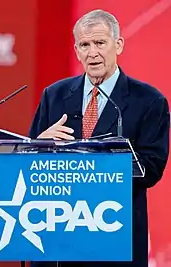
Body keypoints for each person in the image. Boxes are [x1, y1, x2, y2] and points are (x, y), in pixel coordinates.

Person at [29, 9, 170, 267]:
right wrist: (40, 145)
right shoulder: (55, 95)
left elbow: (151, 168)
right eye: (84, 44)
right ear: (76, 50)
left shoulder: (149, 101)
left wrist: (97, 159)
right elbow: (28, 166)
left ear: (118, 45)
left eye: (99, 43)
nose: (92, 52)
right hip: (57, 234)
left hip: (113, 237)